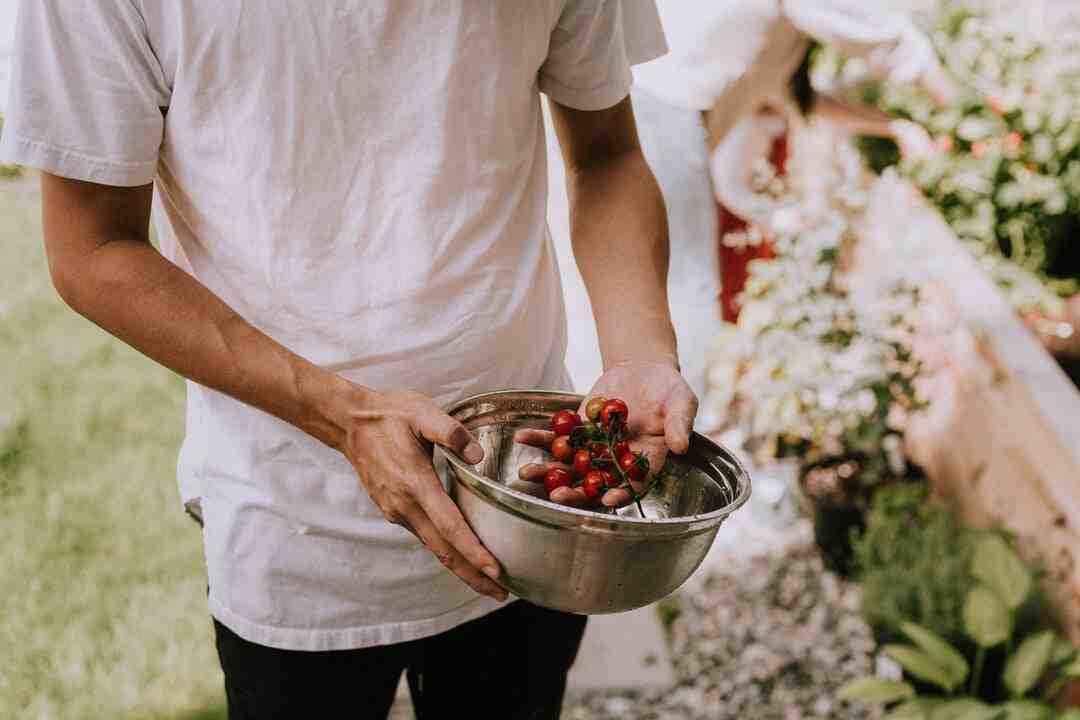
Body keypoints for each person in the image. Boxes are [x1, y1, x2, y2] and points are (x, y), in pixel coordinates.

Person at [0, 2, 699, 718]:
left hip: (528, 495)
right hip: (295, 518)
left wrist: (641, 351)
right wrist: (342, 416)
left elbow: (607, 154)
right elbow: (92, 250)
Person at [634, 0, 957, 322]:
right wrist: (955, 101)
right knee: (685, 294)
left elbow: (793, 96)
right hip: (662, 115)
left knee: (657, 285)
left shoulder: (776, 34)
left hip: (657, 111)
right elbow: (885, 40)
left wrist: (895, 126)